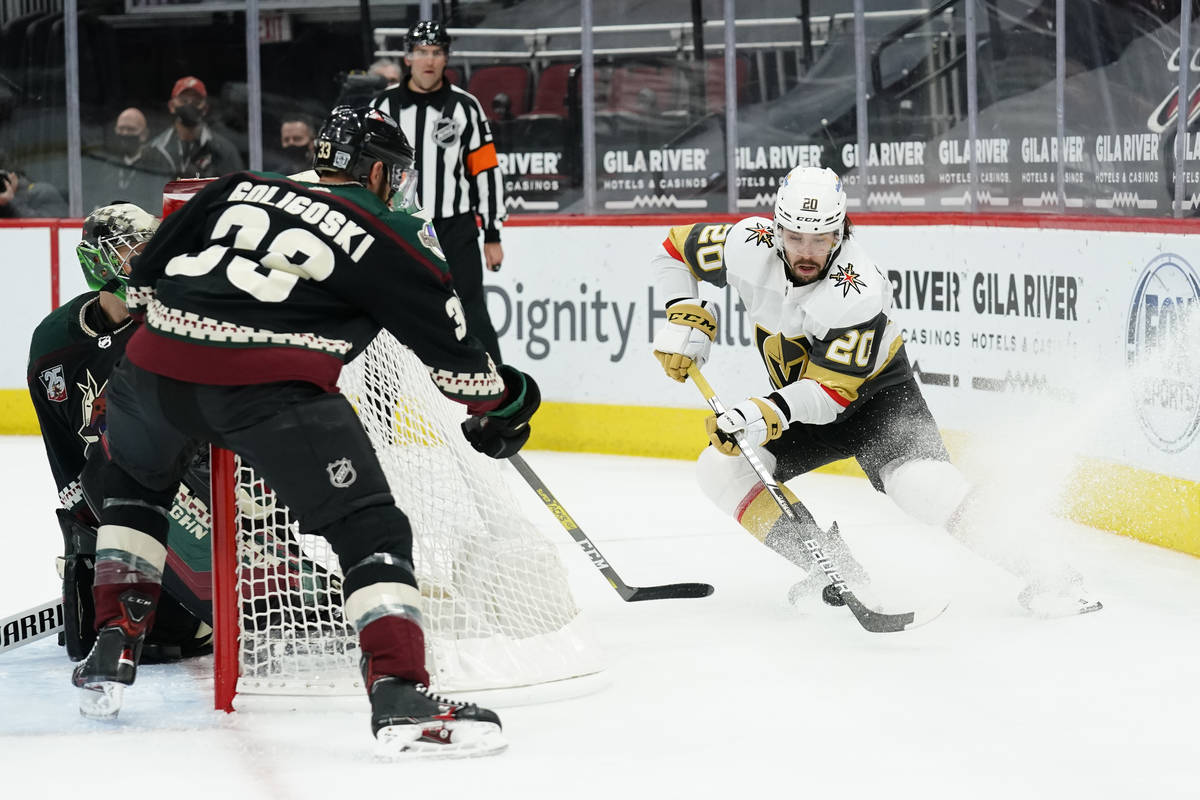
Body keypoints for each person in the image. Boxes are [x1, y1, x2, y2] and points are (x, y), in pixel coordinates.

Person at [70, 105, 538, 759]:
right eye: (395, 174)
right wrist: (509, 403)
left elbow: (144, 279)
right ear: (377, 172)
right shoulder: (393, 229)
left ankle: (111, 643)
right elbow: (461, 371)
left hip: (149, 371)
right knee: (370, 529)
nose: (397, 186)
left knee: (134, 486)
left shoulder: (237, 186)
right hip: (267, 388)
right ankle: (401, 690)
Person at [649, 165, 1101, 619]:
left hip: (875, 401)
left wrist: (757, 412)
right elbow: (673, 250)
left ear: (841, 231)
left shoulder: (857, 289)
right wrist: (682, 311)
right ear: (776, 227)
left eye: (821, 238)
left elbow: (831, 395)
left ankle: (1050, 572)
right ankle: (834, 570)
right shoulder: (747, 244)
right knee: (720, 469)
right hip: (795, 406)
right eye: (795, 237)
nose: (807, 252)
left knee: (924, 487)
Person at [27, 203, 213, 663]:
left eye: (153, 248)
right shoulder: (53, 342)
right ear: (98, 262)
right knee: (104, 634)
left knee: (176, 633)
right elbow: (63, 452)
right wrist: (88, 531)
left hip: (186, 496)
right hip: (110, 498)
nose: (148, 260)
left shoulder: (174, 319)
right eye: (134, 251)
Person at [371, 20, 507, 362]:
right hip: (401, 226)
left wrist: (492, 233)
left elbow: (486, 171)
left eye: (436, 52)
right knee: (391, 318)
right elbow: (366, 171)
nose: (428, 60)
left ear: (446, 58)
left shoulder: (465, 107)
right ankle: (383, 411)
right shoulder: (383, 107)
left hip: (455, 227)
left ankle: (504, 407)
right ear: (407, 58)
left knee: (473, 313)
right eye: (421, 52)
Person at [148, 75, 244, 179]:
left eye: (196, 102)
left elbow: (236, 189)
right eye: (183, 101)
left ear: (205, 109)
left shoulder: (225, 151)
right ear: (172, 106)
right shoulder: (155, 148)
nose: (189, 106)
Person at [85, 108, 174, 211]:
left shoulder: (158, 162)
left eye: (131, 129)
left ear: (144, 134)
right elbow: (98, 201)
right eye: (121, 129)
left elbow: (160, 204)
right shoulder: (109, 165)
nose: (125, 133)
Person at [0, 149, 68, 218]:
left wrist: (11, 201)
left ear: (13, 175)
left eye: (1, 178)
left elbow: (42, 225)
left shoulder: (42, 192)